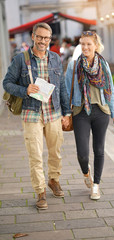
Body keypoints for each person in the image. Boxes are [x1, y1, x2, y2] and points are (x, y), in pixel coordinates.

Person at [3, 22, 71, 209]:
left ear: (50, 39)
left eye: (46, 38)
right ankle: (40, 191)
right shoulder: (20, 59)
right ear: (33, 36)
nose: (43, 41)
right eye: (39, 37)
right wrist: (25, 89)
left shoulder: (56, 59)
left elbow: (62, 88)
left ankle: (54, 180)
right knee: (35, 155)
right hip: (31, 114)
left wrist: (66, 113)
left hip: (54, 113)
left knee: (56, 152)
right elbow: (7, 83)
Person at [65, 31, 114, 200]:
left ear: (96, 46)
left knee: (99, 150)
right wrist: (67, 113)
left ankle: (96, 185)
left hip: (101, 112)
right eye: (83, 44)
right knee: (82, 153)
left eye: (89, 44)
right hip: (80, 112)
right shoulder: (73, 65)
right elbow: (67, 90)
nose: (85, 47)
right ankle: (85, 172)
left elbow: (110, 90)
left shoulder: (103, 65)